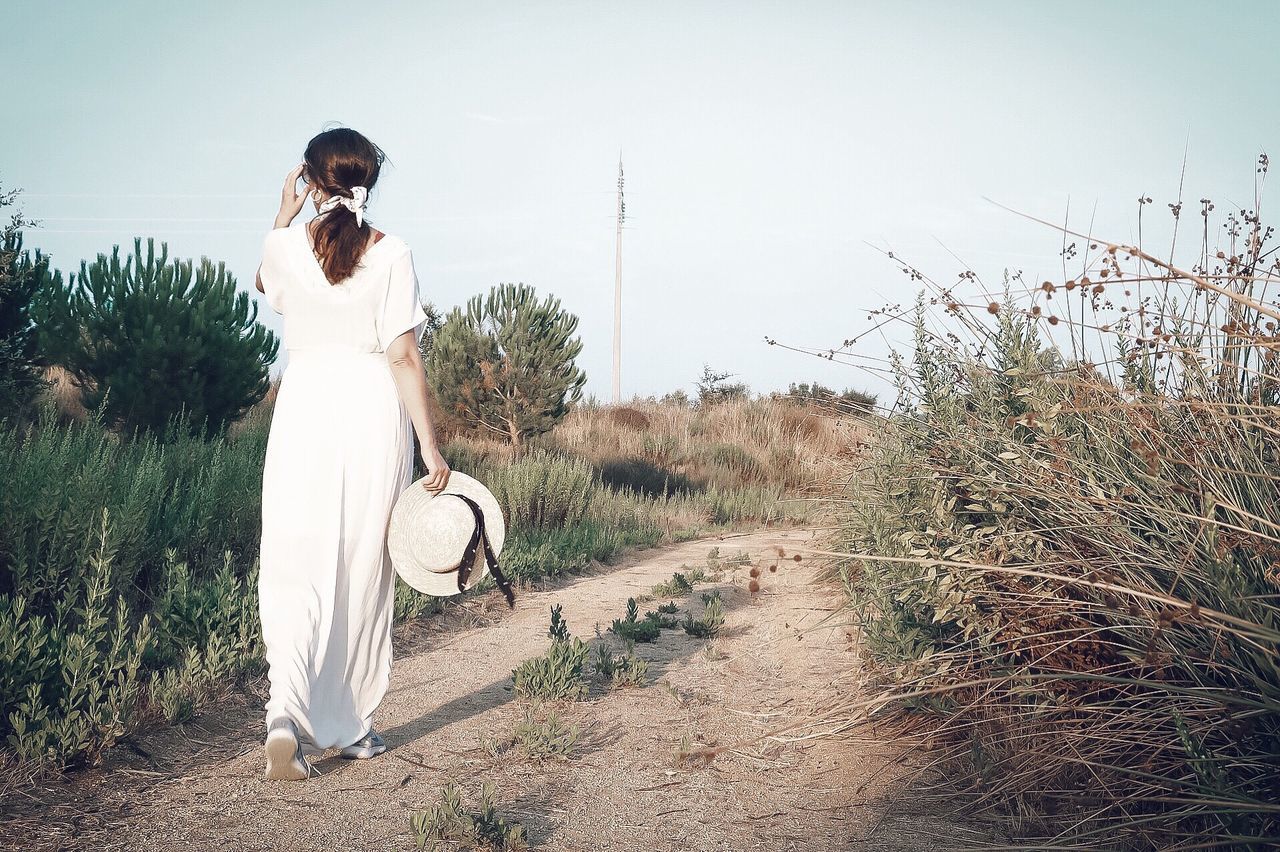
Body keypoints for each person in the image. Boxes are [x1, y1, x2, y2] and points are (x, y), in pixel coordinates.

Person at [253, 127, 451, 781]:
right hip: (368, 416)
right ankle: (351, 726)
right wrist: (430, 447)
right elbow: (403, 355)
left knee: (295, 563)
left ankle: (285, 715)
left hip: (305, 411)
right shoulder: (393, 253)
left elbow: (266, 282)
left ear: (312, 181)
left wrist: (284, 214)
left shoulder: (284, 247)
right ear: (370, 180)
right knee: (359, 569)